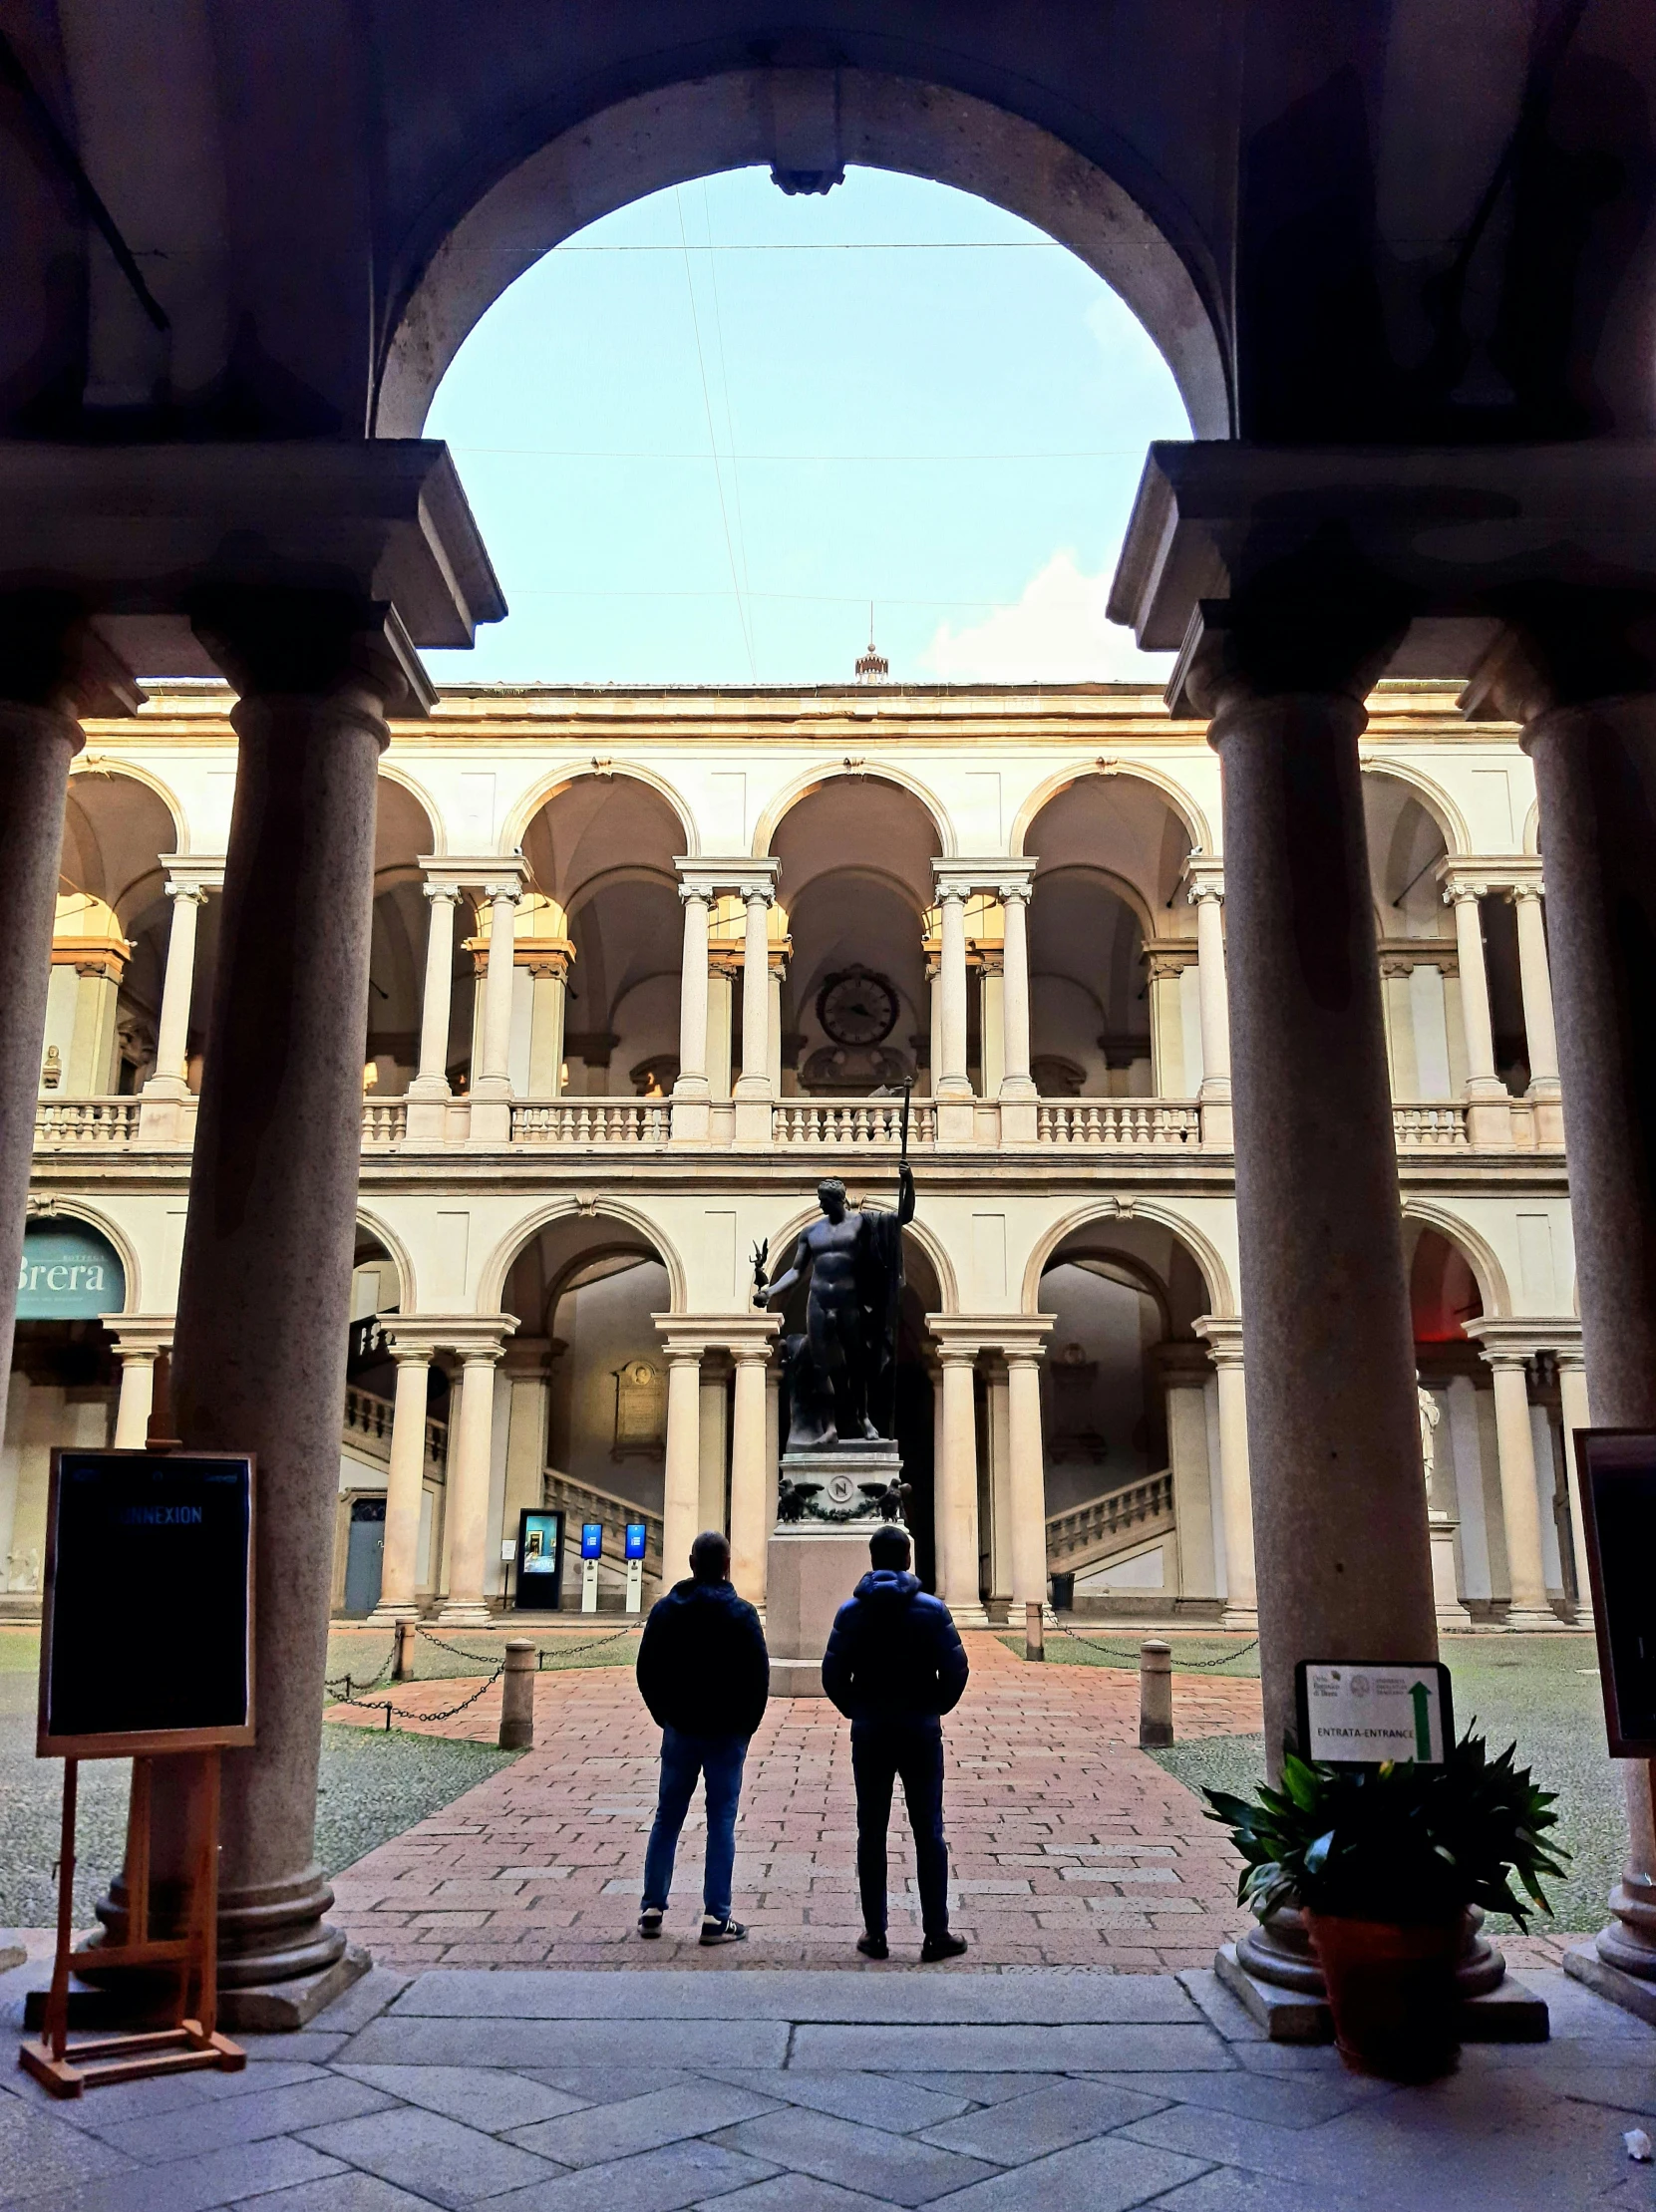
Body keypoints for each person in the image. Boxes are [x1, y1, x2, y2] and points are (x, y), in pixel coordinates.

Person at [822, 1522, 970, 1962]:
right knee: (929, 1831)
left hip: (870, 1731)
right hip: (920, 1730)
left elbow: (832, 1676)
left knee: (872, 1831)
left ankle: (876, 1934)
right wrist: (934, 1707)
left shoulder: (851, 1612)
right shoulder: (932, 1609)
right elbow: (957, 1670)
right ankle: (936, 1933)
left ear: (872, 1560)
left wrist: (857, 1710)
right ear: (907, 1558)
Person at [635, 1528, 770, 1945]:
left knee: (667, 1817)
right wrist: (745, 1727)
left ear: (692, 1563)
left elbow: (646, 1671)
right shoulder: (743, 1614)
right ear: (727, 1566)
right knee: (722, 1821)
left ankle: (652, 1907)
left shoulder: (666, 1611)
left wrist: (665, 1715)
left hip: (681, 1728)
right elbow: (758, 1679)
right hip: (727, 1732)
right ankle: (716, 1916)